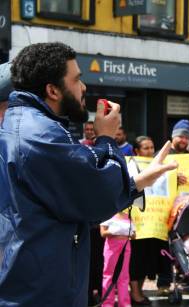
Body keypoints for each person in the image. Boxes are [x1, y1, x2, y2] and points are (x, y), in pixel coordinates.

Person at [0, 42, 177, 306]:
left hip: (37, 284)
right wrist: (106, 138)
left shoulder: (31, 127)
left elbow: (78, 191)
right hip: (42, 292)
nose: (83, 88)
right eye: (77, 79)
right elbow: (97, 196)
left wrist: (138, 182)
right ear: (53, 90)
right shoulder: (41, 135)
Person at [129, 135, 173, 304]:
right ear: (136, 151)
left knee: (148, 260)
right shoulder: (130, 165)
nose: (150, 151)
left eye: (152, 147)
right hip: (138, 221)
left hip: (155, 222)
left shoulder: (160, 166)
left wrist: (176, 179)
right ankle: (135, 293)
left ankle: (139, 291)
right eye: (145, 148)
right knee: (137, 259)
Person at [100, 212, 136, 307]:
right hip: (112, 246)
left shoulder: (128, 217)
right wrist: (115, 231)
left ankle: (124, 303)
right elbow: (103, 233)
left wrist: (129, 233)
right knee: (108, 275)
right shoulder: (107, 214)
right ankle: (107, 304)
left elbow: (134, 236)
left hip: (125, 246)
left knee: (124, 275)